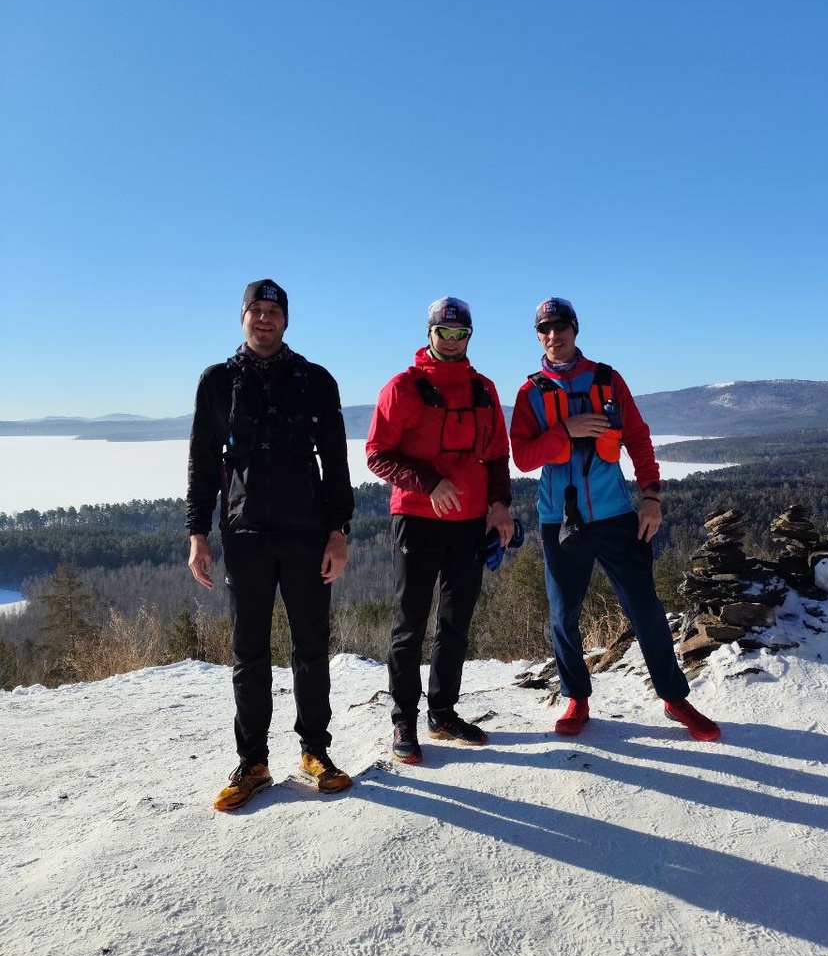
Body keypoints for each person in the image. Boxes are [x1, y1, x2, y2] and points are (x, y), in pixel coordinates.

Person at [510, 297, 720, 742]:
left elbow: (639, 439)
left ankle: (674, 697)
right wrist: (563, 432)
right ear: (537, 335)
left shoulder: (607, 379)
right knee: (563, 615)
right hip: (560, 520)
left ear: (575, 329)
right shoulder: (530, 392)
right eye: (544, 329)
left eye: (560, 326)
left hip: (615, 515)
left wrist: (651, 497)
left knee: (645, 608)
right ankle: (576, 699)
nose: (553, 335)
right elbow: (523, 458)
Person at [187, 279, 355, 810]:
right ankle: (253, 762)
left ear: (287, 321)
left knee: (311, 647)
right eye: (256, 311)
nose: (265, 319)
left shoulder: (315, 380)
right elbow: (202, 460)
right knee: (249, 652)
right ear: (242, 317)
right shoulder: (217, 381)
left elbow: (335, 459)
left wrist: (338, 531)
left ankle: (314, 752)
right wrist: (198, 533)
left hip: (307, 534)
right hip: (244, 534)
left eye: (273, 312)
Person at [367, 296, 515, 763]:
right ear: (429, 333)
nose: (452, 340)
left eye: (460, 333)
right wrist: (429, 483)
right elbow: (377, 454)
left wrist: (500, 508)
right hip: (415, 520)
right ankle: (403, 718)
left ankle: (443, 712)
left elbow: (495, 457)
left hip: (469, 523)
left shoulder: (484, 389)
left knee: (455, 624)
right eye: (444, 332)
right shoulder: (402, 387)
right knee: (409, 623)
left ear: (469, 336)